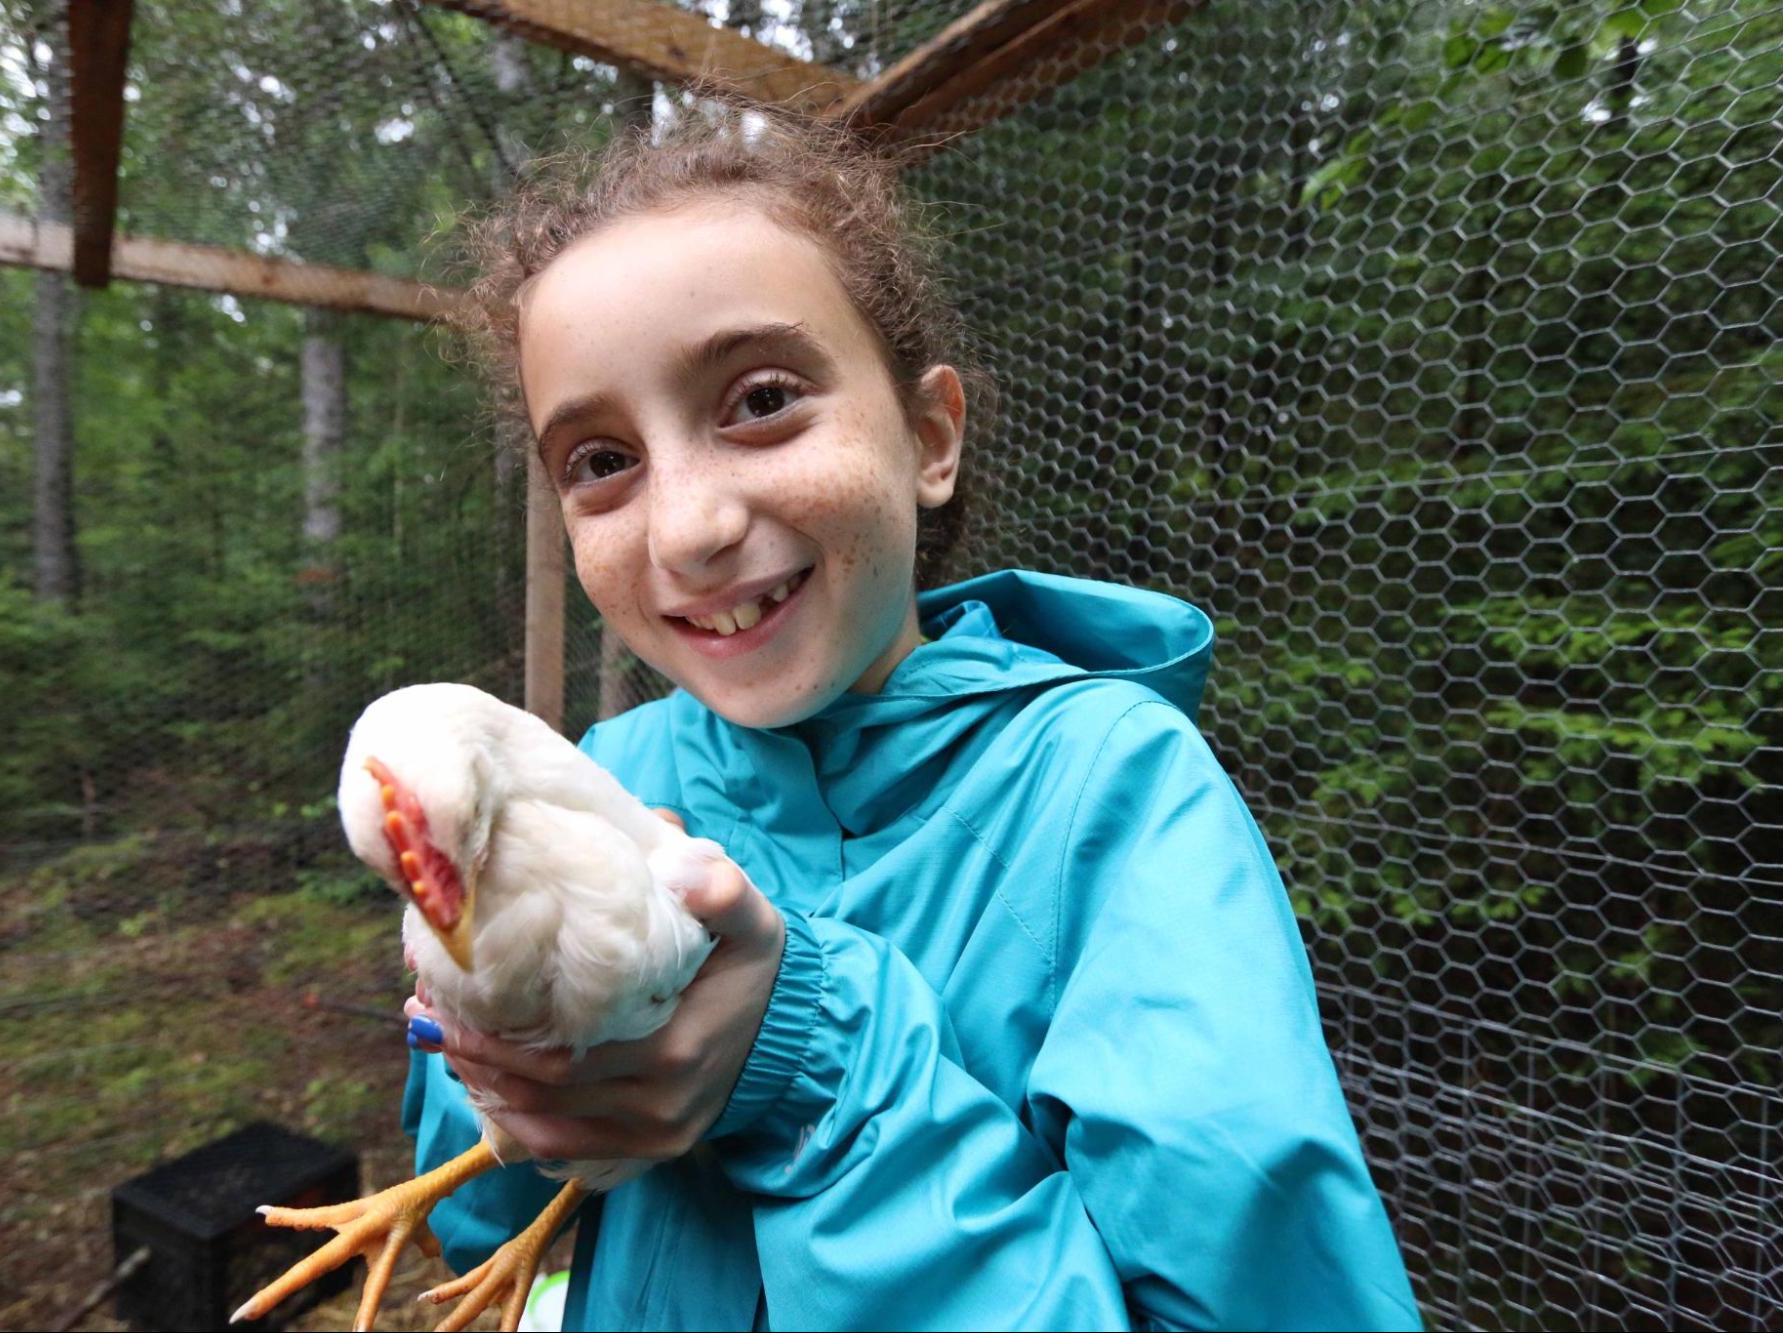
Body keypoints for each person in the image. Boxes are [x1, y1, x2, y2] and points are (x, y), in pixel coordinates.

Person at [400, 100, 1422, 1331]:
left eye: (760, 398)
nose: (687, 528)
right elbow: (496, 1244)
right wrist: (488, 1049)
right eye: (601, 462)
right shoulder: (610, 769)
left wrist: (811, 1068)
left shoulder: (1110, 790)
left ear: (928, 436)